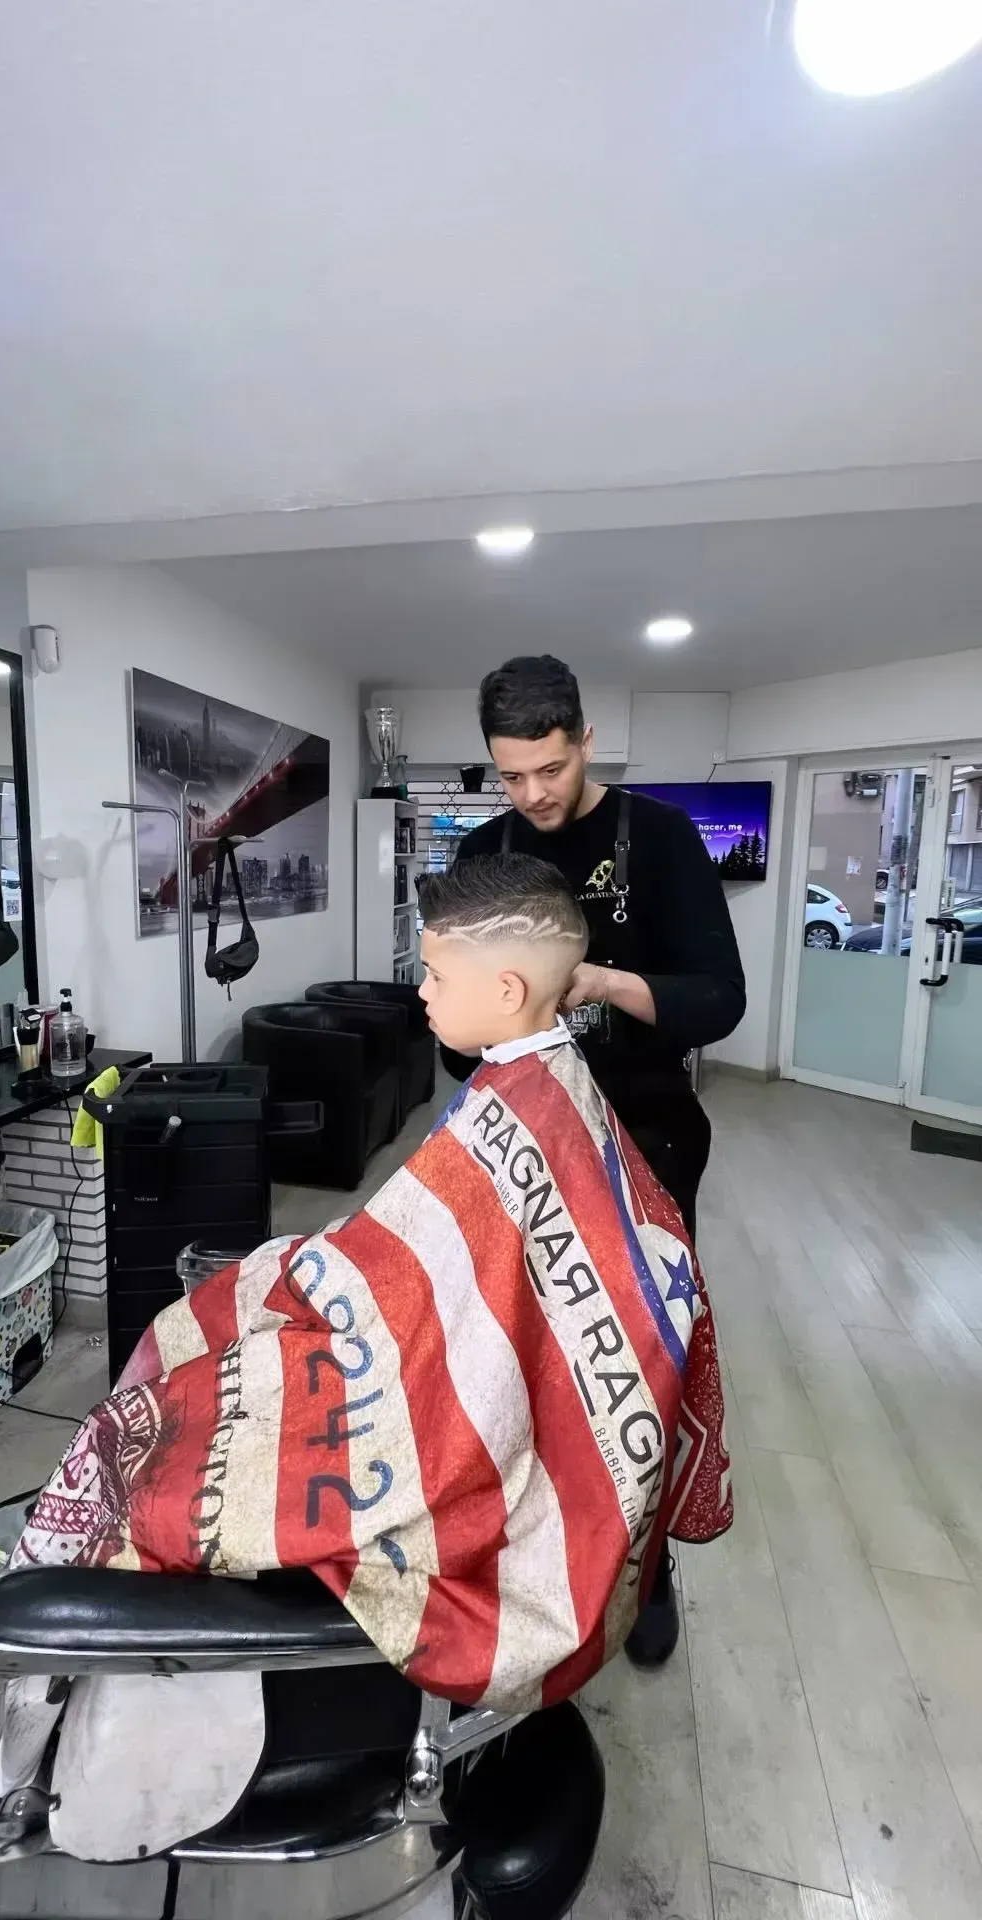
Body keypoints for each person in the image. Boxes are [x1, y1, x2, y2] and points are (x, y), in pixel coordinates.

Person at [0, 853, 730, 1862]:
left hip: (429, 1418)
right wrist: (326, 1277)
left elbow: (466, 1347)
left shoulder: (528, 1106)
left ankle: (10, 1745)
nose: (420, 989)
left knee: (137, 1445)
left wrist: (327, 1294)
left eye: (434, 974)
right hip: (405, 1346)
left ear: (505, 991)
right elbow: (433, 1269)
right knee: (197, 1332)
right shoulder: (538, 1088)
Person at [441, 655, 745, 1666]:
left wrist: (604, 984)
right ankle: (528, 1540)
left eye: (552, 769)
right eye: (511, 775)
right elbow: (457, 1044)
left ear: (586, 742)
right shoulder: (485, 851)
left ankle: (644, 1565)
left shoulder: (658, 839)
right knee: (521, 1356)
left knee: (636, 1367)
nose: (533, 795)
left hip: (645, 1140)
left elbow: (719, 999)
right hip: (520, 1144)